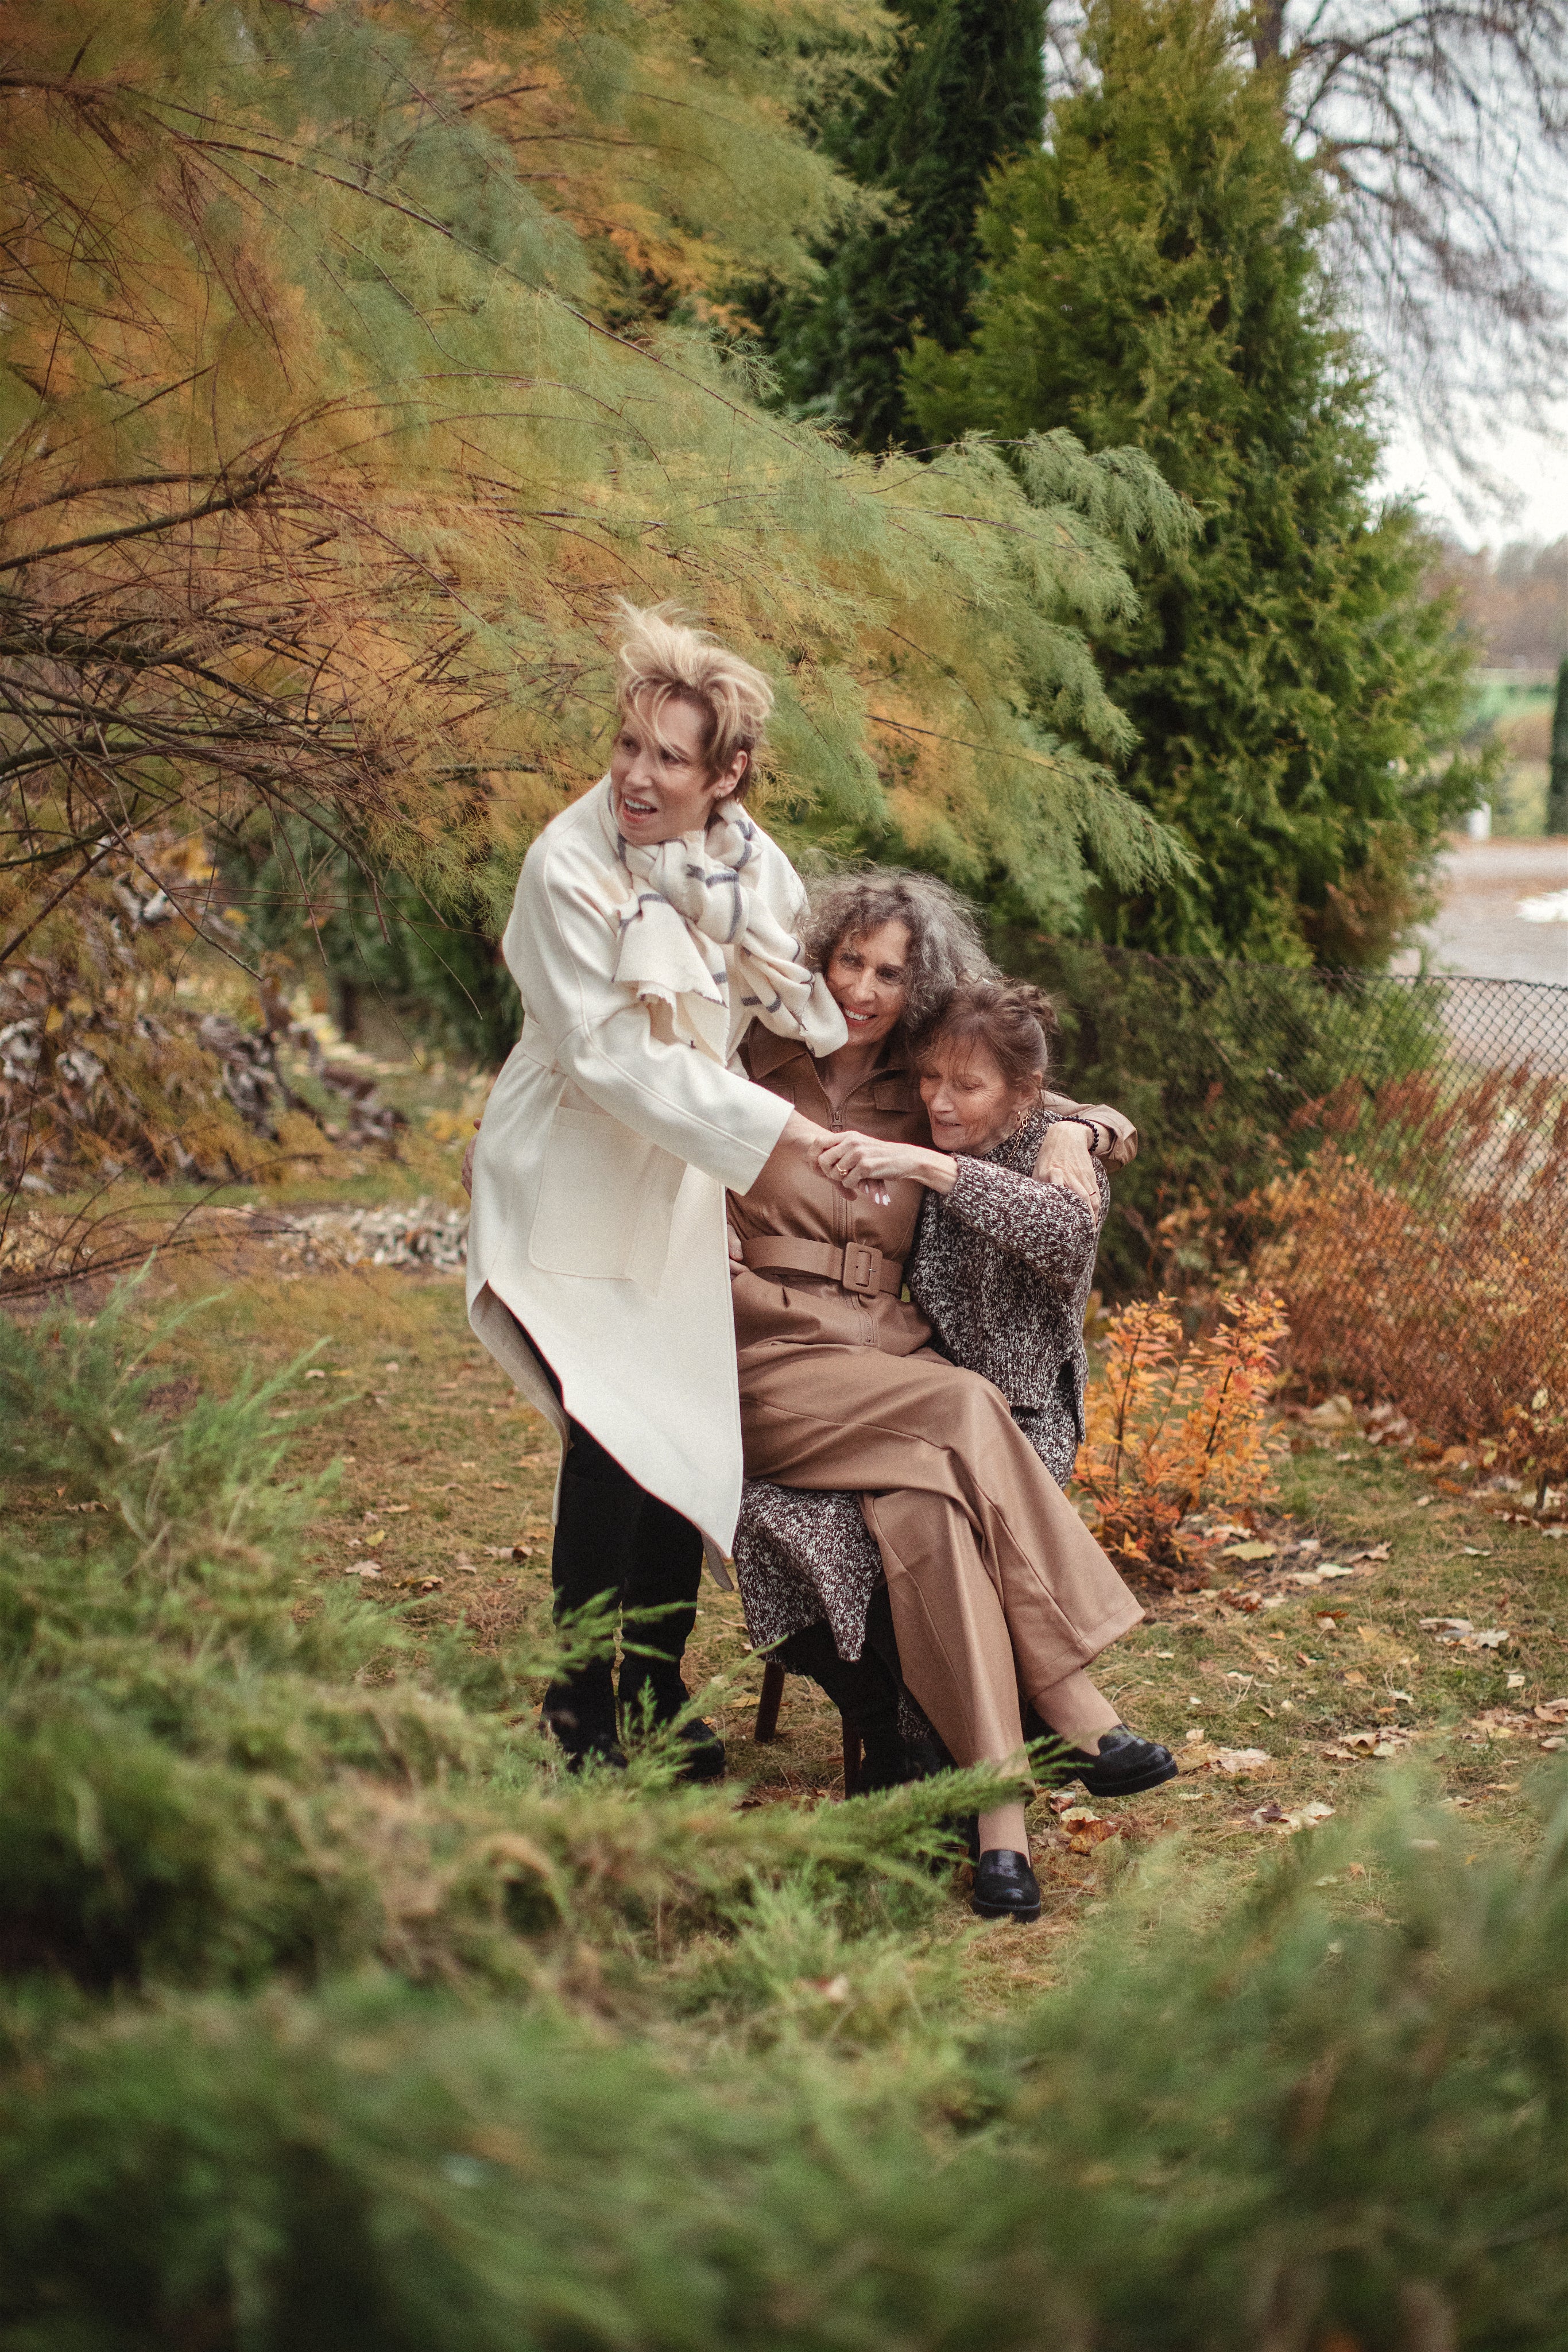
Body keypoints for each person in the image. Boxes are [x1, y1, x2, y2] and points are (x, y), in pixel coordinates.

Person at [726, 876, 1168, 1922]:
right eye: (850, 962)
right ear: (816, 960)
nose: (865, 989)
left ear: (917, 987)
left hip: (889, 1361)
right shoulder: (742, 1060)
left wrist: (1079, 1131)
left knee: (932, 1515)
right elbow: (631, 1104)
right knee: (969, 1405)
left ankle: (1000, 1832)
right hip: (766, 1353)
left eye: (891, 972)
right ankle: (1071, 1697)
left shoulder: (916, 1083)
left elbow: (1040, 1099)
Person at [463, 604, 850, 1777]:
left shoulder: (749, 865)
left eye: (669, 758)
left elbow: (787, 988)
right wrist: (780, 1140)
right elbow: (609, 1057)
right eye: (627, 744)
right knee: (608, 1427)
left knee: (677, 1420)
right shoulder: (565, 867)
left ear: (726, 774)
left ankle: (656, 1684)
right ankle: (581, 1699)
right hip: (572, 1161)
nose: (636, 775)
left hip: (683, 1169)